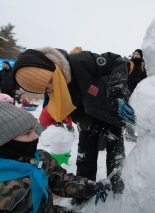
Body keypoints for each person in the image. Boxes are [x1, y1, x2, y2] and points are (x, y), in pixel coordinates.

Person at [12, 47, 135, 200]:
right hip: (88, 120)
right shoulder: (54, 90)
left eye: (49, 82)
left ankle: (118, 192)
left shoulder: (81, 61)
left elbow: (116, 61)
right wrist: (85, 122)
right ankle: (83, 193)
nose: (50, 89)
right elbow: (71, 110)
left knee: (115, 157)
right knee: (84, 158)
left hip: (112, 112)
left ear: (52, 69)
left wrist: (117, 94)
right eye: (45, 89)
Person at [0, 99, 110, 213]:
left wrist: (89, 187)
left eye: (33, 130)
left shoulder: (40, 157)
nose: (36, 136)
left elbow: (60, 180)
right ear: (4, 142)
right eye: (27, 133)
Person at [125, 49, 147, 142]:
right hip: (127, 90)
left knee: (134, 110)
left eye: (138, 54)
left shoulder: (142, 67)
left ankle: (132, 131)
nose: (136, 55)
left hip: (136, 92)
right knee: (129, 110)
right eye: (134, 54)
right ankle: (129, 133)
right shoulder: (130, 64)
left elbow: (144, 79)